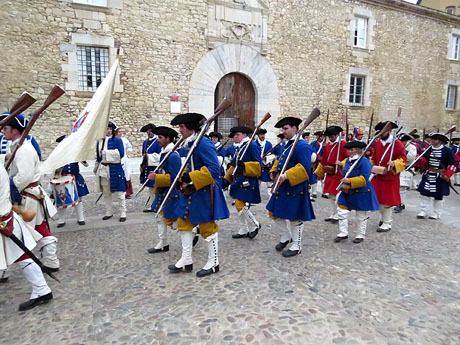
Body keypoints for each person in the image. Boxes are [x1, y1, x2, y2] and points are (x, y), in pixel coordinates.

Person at [168, 113, 229, 277]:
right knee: (184, 224)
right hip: (189, 191)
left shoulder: (203, 144)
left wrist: (191, 177)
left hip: (203, 192)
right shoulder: (190, 144)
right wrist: (183, 179)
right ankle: (186, 259)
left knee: (207, 228)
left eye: (181, 127)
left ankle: (214, 262)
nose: (180, 130)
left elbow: (215, 170)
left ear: (190, 127)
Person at [1, 114, 59, 273]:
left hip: (28, 196)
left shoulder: (24, 150)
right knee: (37, 228)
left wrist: (7, 184)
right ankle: (51, 261)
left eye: (5, 128)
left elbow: (23, 177)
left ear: (14, 130)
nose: (3, 132)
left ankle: (50, 261)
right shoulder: (18, 147)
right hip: (28, 194)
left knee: (26, 230)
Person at [0, 164, 53, 311]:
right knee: (22, 256)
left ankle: (42, 290)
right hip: (6, 216)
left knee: (23, 256)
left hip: (4, 220)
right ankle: (42, 290)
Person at [266, 117, 315, 257]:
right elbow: (280, 160)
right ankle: (286, 236)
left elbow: (305, 167)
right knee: (273, 212)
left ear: (294, 128)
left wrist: (286, 176)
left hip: (295, 186)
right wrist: (274, 171)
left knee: (295, 217)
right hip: (282, 185)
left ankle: (296, 245)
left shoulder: (302, 146)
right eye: (282, 129)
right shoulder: (287, 144)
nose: (284, 131)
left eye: (286, 128)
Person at [146, 126, 183, 254]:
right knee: (159, 217)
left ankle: (194, 232)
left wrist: (157, 177)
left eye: (160, 138)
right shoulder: (165, 153)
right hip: (163, 191)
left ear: (168, 139)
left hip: (172, 193)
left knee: (175, 222)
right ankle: (163, 242)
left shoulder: (173, 156)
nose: (158, 140)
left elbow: (175, 177)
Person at [334, 141, 379, 243]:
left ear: (358, 150)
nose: (349, 151)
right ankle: (343, 233)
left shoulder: (364, 162)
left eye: (352, 149)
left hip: (361, 191)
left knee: (361, 215)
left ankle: (360, 234)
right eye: (348, 149)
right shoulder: (348, 160)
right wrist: (340, 166)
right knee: (341, 210)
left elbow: (364, 179)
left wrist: (350, 181)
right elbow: (345, 173)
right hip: (347, 191)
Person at [224, 126, 262, 239]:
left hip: (248, 179)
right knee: (238, 204)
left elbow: (258, 166)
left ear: (245, 135)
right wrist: (226, 179)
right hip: (240, 179)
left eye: (237, 135)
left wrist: (245, 166)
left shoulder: (252, 146)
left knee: (240, 204)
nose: (235, 137)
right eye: (234, 136)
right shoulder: (240, 148)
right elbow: (234, 166)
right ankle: (244, 228)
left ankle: (254, 225)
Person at [370, 121, 406, 232]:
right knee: (380, 201)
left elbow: (403, 159)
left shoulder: (397, 143)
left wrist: (394, 163)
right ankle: (382, 218)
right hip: (379, 175)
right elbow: (374, 158)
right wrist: (371, 168)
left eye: (382, 132)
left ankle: (387, 222)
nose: (380, 135)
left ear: (389, 131)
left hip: (390, 176)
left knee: (388, 202)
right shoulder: (378, 143)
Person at [416, 132, 456, 220]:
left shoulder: (447, 151)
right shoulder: (428, 149)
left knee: (438, 195)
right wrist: (420, 160)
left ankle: (436, 213)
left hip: (440, 175)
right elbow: (425, 160)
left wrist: (447, 175)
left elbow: (452, 164)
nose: (432, 141)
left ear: (440, 141)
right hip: (428, 173)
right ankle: (423, 211)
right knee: (424, 192)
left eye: (434, 139)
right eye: (432, 139)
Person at [94, 121, 128, 222]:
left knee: (120, 192)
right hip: (104, 169)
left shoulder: (118, 140)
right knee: (106, 192)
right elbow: (98, 157)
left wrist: (106, 153)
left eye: (109, 129)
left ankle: (123, 212)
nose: (108, 131)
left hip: (115, 169)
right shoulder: (99, 142)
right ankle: (109, 211)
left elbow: (120, 154)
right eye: (106, 129)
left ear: (112, 130)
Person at [53, 135, 89, 227]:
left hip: (75, 177)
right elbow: (55, 170)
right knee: (61, 199)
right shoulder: (57, 155)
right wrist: (58, 172)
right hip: (62, 179)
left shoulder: (75, 153)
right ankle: (62, 219)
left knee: (79, 199)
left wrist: (82, 157)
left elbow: (86, 164)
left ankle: (80, 218)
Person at [314, 126, 348, 222]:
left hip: (339, 172)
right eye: (329, 136)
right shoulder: (328, 145)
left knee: (337, 196)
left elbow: (348, 159)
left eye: (332, 136)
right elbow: (324, 160)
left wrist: (342, 163)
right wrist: (318, 173)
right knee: (331, 196)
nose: (330, 138)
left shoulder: (343, 144)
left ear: (337, 135)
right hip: (330, 172)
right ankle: (334, 213)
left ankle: (339, 214)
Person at [140, 123, 161, 211]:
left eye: (150, 131)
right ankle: (152, 204)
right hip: (147, 167)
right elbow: (143, 154)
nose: (148, 132)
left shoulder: (157, 141)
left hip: (154, 167)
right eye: (147, 131)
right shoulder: (145, 142)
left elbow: (159, 155)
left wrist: (150, 156)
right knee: (150, 188)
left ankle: (157, 205)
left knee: (155, 187)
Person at [394, 133, 417, 213]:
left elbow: (409, 157)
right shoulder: (397, 146)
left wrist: (401, 152)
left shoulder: (412, 147)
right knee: (396, 186)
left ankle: (400, 204)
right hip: (397, 168)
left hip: (406, 169)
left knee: (402, 187)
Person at [255, 128, 274, 195]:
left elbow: (272, 155)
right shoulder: (254, 144)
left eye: (263, 134)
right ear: (258, 135)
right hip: (257, 167)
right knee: (257, 183)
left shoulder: (268, 144)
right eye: (261, 134)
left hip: (266, 166)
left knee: (269, 183)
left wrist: (266, 158)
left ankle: (270, 196)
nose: (262, 136)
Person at [116, 127, 133, 198]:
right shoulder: (113, 140)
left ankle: (127, 192)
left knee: (126, 174)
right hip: (116, 159)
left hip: (124, 159)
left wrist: (127, 151)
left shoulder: (124, 140)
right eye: (119, 132)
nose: (120, 133)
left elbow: (129, 147)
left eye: (121, 132)